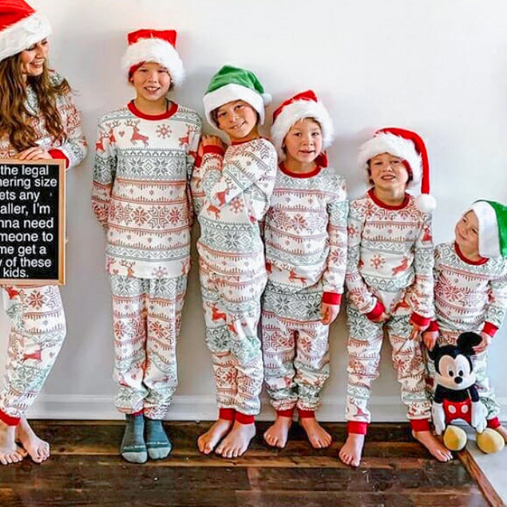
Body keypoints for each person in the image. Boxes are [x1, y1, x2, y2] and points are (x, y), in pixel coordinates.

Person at [0, 0, 87, 465]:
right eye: (32, 46)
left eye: (45, 43)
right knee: (47, 330)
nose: (42, 54)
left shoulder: (55, 88)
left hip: (43, 227)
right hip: (1, 230)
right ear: (8, 52)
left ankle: (16, 416)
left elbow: (78, 144)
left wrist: (56, 156)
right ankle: (4, 418)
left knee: (27, 332)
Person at [91, 29, 201, 463]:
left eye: (161, 70)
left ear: (172, 76)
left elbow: (196, 187)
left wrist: (176, 227)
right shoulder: (113, 124)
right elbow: (102, 186)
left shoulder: (189, 124)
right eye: (144, 70)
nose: (152, 78)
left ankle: (156, 411)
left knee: (164, 333)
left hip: (172, 251)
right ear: (131, 75)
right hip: (124, 249)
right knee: (126, 332)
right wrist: (121, 227)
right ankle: (132, 413)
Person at [338, 128, 451, 466]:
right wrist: (365, 301)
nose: (386, 168)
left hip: (406, 304)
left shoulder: (420, 213)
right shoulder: (358, 210)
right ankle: (356, 431)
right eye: (378, 162)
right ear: (368, 170)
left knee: (411, 368)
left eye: (395, 162)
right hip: (366, 304)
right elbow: (346, 259)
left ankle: (421, 427)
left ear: (410, 169)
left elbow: (425, 264)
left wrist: (422, 312)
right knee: (361, 367)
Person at [191, 66, 276, 458]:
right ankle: (225, 411)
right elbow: (198, 199)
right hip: (210, 258)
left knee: (243, 341)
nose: (231, 119)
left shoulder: (260, 150)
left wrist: (208, 156)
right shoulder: (230, 153)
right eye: (222, 114)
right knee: (218, 340)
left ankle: (246, 420)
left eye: (239, 107)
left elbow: (214, 192)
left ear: (256, 109)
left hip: (241, 264)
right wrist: (213, 162)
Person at [260, 90, 347, 449]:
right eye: (297, 133)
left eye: (313, 133)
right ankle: (282, 413)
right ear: (282, 139)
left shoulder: (332, 184)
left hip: (316, 292)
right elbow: (257, 230)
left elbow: (340, 241)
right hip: (273, 289)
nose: (306, 141)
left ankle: (308, 414)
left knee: (313, 354)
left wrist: (333, 290)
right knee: (275, 353)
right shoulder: (269, 180)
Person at [424, 200, 507, 443]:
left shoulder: (497, 265)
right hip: (440, 330)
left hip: (472, 334)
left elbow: (501, 299)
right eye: (464, 221)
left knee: (478, 378)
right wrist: (430, 325)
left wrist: (489, 332)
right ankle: (440, 424)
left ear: (488, 242)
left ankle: (491, 421)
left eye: (473, 231)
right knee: (437, 378)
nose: (463, 229)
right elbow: (426, 289)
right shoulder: (442, 253)